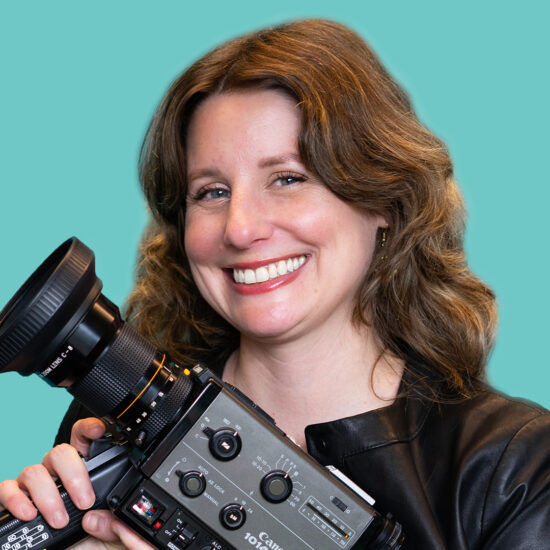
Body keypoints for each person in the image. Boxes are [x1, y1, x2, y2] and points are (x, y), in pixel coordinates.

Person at [1, 18, 550, 550]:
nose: (240, 228)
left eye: (287, 179)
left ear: (382, 198)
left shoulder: (511, 470)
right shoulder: (115, 421)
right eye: (212, 191)